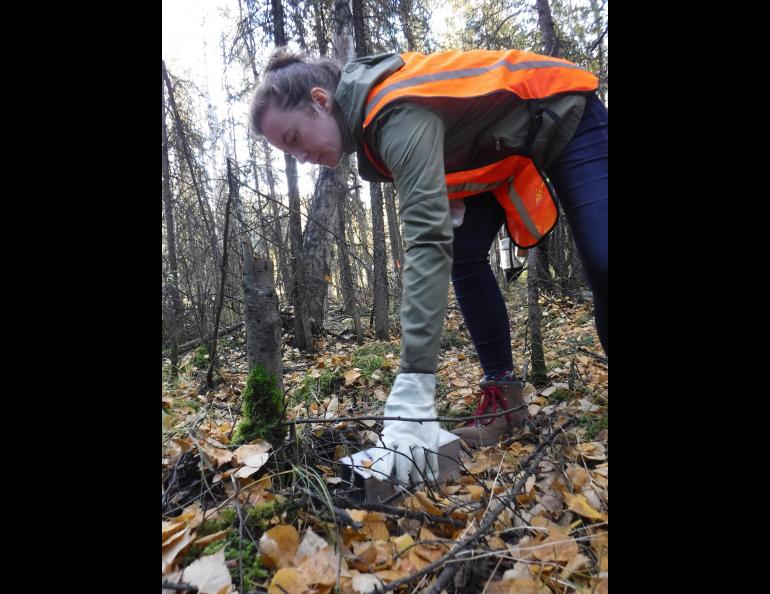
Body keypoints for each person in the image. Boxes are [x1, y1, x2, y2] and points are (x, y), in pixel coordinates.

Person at [248, 47, 607, 487]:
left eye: (293, 139)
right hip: (504, 150)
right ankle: (506, 399)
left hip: (562, 107)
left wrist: (415, 378)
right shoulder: (371, 127)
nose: (299, 157)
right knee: (465, 256)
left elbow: (426, 240)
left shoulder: (391, 111)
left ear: (321, 101)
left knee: (603, 258)